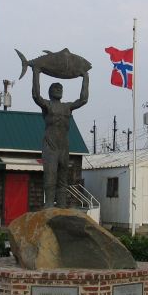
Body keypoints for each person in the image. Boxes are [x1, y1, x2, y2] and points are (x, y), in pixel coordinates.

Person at [32, 68, 89, 208]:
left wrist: (85, 77)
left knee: (63, 178)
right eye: (55, 87)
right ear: (50, 92)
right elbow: (35, 95)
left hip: (64, 146)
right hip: (50, 145)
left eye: (60, 87)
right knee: (50, 176)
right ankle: (50, 204)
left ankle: (62, 206)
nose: (58, 89)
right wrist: (36, 73)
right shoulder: (47, 104)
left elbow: (83, 99)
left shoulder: (67, 107)